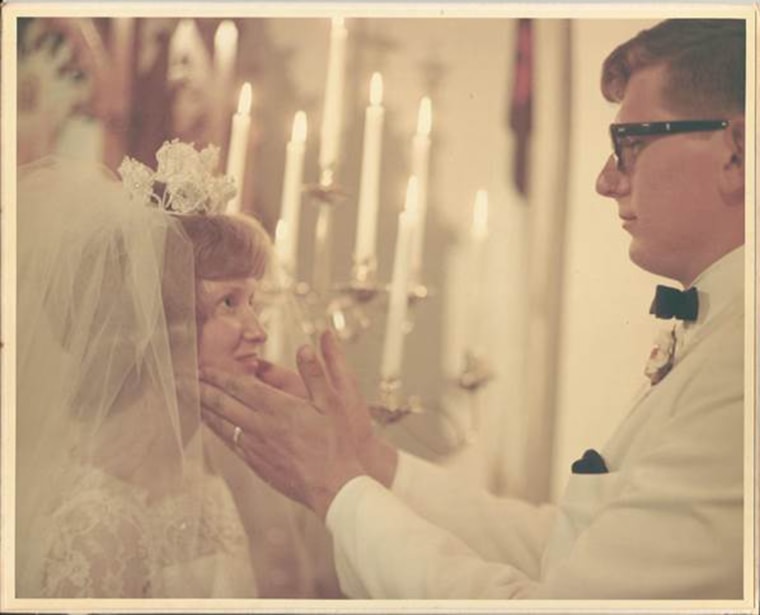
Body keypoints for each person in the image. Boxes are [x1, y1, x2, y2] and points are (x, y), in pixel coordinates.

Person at [199, 18, 747, 599]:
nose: (606, 180)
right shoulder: (720, 333)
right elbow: (564, 547)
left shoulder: (741, 367)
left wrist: (336, 486)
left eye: (629, 144)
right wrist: (368, 458)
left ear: (735, 151)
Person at [16, 142, 337, 598]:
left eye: (254, 303)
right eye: (229, 302)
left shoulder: (204, 487)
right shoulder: (96, 525)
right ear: (159, 324)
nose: (258, 332)